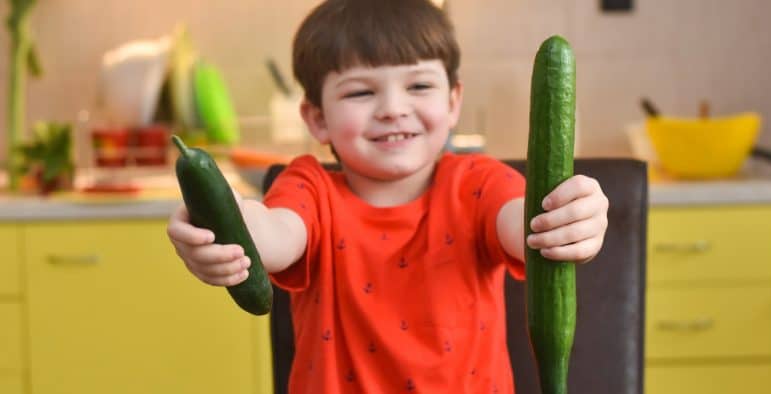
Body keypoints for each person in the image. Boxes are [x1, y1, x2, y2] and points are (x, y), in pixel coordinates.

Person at [167, 0, 609, 392]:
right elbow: (274, 235)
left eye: (419, 86)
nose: (394, 108)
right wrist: (223, 219)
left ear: (453, 101)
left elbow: (530, 227)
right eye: (361, 91)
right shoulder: (308, 187)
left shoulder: (479, 182)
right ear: (317, 118)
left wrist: (571, 219)